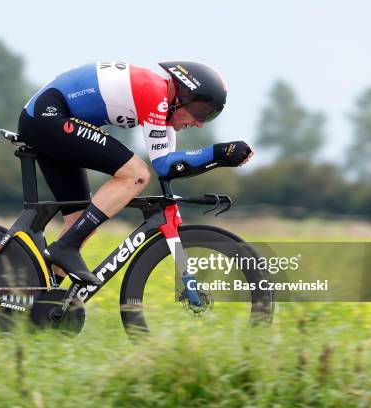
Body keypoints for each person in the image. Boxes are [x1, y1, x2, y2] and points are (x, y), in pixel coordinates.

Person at [18, 61, 253, 286]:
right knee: (136, 174)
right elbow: (161, 166)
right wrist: (218, 152)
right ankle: (64, 248)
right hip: (47, 116)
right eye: (200, 112)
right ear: (183, 96)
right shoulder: (155, 94)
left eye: (208, 117)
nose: (200, 123)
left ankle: (44, 299)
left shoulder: (164, 107)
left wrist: (222, 158)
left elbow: (169, 168)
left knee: (81, 222)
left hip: (50, 119)